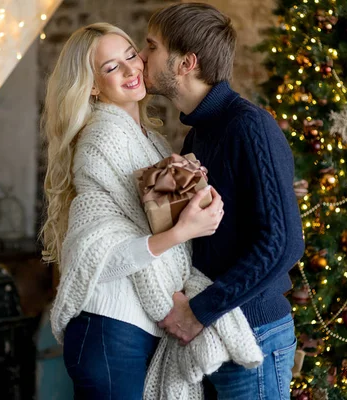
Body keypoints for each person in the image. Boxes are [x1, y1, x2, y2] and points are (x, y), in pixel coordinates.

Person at [40, 23, 226, 399]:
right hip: (111, 330)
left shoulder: (151, 141)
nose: (130, 70)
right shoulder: (102, 138)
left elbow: (148, 219)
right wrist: (182, 231)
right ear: (92, 86)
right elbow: (96, 254)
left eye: (130, 56)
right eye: (111, 67)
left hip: (132, 331)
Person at [138, 3, 305, 399]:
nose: (141, 57)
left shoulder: (248, 127)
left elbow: (284, 245)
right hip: (214, 337)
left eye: (151, 46)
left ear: (186, 62)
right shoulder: (198, 136)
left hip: (255, 334)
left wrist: (199, 311)